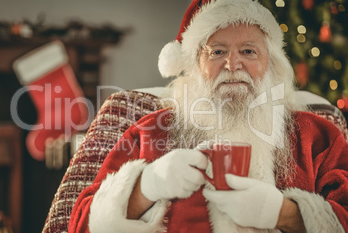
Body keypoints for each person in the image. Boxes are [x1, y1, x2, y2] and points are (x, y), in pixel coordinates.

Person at [69, 0, 348, 232]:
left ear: (271, 65)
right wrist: (146, 186)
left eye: (248, 51)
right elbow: (79, 225)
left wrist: (283, 213)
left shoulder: (318, 136)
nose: (232, 64)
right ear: (194, 67)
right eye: (217, 52)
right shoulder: (149, 132)